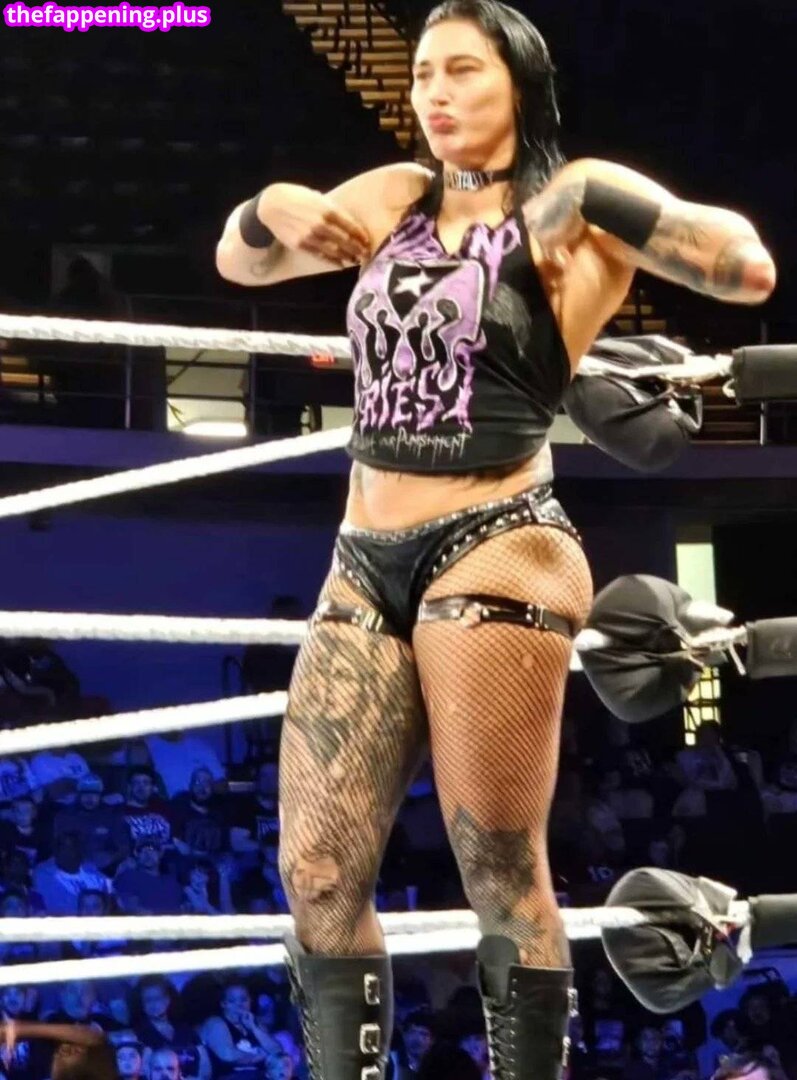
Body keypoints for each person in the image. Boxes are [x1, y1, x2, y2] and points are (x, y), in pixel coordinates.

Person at [215, 1, 776, 1077]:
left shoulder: (569, 202)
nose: (434, 91)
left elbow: (744, 269)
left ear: (518, 81)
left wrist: (601, 199)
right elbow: (240, 266)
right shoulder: (395, 196)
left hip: (496, 539)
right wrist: (272, 203)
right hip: (361, 560)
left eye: (462, 70)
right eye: (423, 71)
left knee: (497, 871)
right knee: (317, 874)